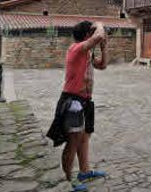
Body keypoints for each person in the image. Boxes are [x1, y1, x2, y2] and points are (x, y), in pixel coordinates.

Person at [46, 21, 109, 192]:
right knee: (73, 141)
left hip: (86, 100)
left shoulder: (87, 54)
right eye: (92, 33)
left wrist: (103, 48)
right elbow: (100, 34)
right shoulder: (76, 49)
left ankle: (84, 172)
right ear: (87, 35)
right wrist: (99, 24)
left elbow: (103, 65)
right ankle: (68, 178)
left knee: (84, 138)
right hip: (72, 100)